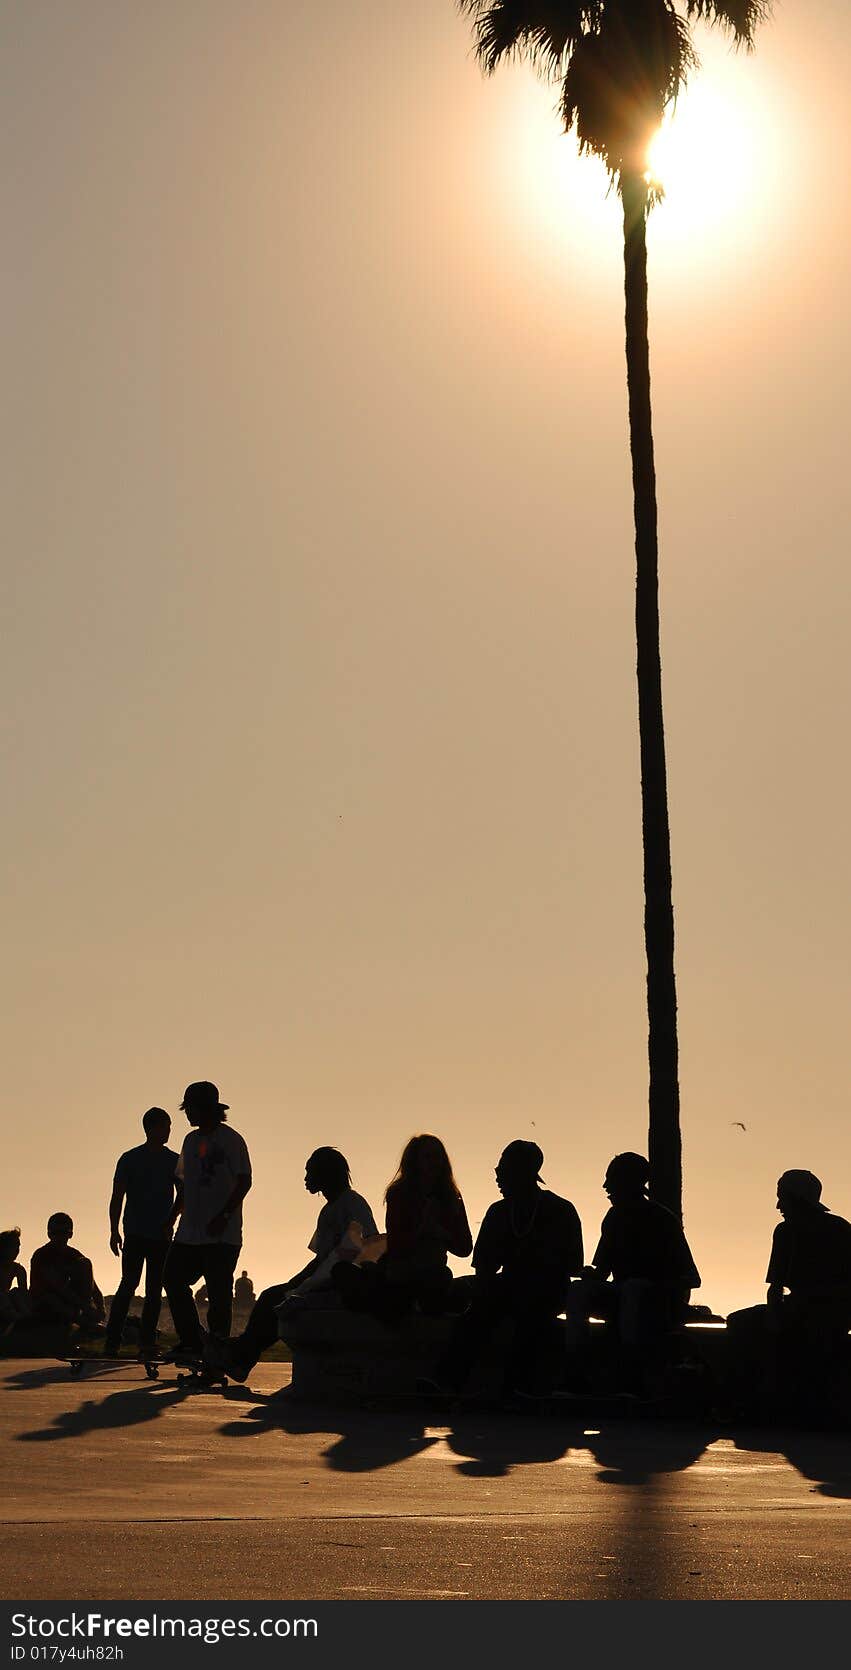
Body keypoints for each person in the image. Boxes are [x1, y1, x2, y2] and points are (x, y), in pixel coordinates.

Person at [427, 1141, 583, 1396]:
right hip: (509, 1287)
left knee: (528, 1316)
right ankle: (448, 1381)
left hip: (548, 1290)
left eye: (504, 1168)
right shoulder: (499, 1212)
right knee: (474, 1315)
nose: (497, 1174)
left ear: (523, 1173)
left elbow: (572, 1266)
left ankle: (516, 1386)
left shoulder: (559, 1210)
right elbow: (484, 1269)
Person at [212, 1147, 378, 1381]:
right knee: (274, 1296)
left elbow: (358, 1249)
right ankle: (242, 1354)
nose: (305, 1179)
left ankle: (240, 1355)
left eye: (310, 1172)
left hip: (344, 1282)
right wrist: (296, 1283)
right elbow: (321, 1259)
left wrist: (303, 1285)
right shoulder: (329, 1209)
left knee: (277, 1300)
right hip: (326, 1278)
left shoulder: (352, 1204)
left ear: (325, 1173)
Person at [566, 1152, 700, 1388]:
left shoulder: (662, 1219)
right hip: (623, 1295)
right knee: (579, 1290)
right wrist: (588, 1275)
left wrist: (653, 1285)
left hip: (657, 1301)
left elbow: (691, 1278)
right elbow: (602, 1271)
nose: (606, 1187)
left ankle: (631, 1372)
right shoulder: (613, 1217)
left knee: (632, 1289)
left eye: (613, 1180)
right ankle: (575, 1369)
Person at [726, 1169, 851, 1417]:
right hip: (795, 1306)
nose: (778, 1206)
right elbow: (776, 1285)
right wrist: (774, 1314)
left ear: (798, 1200)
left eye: (782, 1198)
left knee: (813, 1337)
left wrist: (815, 1300)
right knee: (739, 1322)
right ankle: (745, 1397)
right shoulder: (784, 1232)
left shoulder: (839, 1230)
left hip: (834, 1309)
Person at [333, 1134, 472, 1323]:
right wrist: (422, 1230)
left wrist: (440, 1232)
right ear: (415, 1162)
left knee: (444, 1287)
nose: (434, 1163)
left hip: (432, 1271)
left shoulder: (451, 1197)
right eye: (428, 1157)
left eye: (437, 1156)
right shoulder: (399, 1194)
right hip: (401, 1271)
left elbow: (465, 1248)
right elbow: (397, 1244)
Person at [163, 1082, 252, 1358]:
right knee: (173, 1278)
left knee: (219, 1295)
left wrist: (224, 1216)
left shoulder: (231, 1140)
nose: (188, 1115)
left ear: (206, 1109)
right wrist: (172, 1217)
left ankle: (217, 1349)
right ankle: (192, 1340)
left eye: (191, 1109)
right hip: (189, 1232)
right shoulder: (190, 1142)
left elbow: (244, 1182)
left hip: (222, 1235)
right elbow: (185, 1185)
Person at [104, 1107, 180, 1358]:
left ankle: (145, 1342)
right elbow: (117, 1197)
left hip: (159, 1235)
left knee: (153, 1290)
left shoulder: (173, 1160)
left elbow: (184, 1193)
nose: (169, 1130)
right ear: (153, 1128)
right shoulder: (130, 1158)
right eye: (166, 1126)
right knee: (130, 1284)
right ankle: (113, 1341)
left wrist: (172, 1219)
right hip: (136, 1233)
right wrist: (114, 1231)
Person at [30, 1214, 105, 1331]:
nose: (59, 1236)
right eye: (56, 1232)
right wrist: (85, 1307)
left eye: (63, 1232)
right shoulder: (41, 1255)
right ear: (49, 1234)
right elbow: (57, 1286)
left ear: (70, 1234)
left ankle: (87, 1319)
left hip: (69, 1301)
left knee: (85, 1263)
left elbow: (93, 1285)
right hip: (44, 1302)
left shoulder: (74, 1255)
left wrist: (101, 1308)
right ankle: (83, 1321)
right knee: (50, 1298)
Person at [0, 1229, 30, 1333]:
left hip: (7, 1303)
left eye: (18, 1246)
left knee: (16, 1293)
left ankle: (26, 1318)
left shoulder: (18, 1269)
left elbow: (23, 1293)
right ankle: (18, 1318)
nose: (17, 1250)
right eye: (13, 1246)